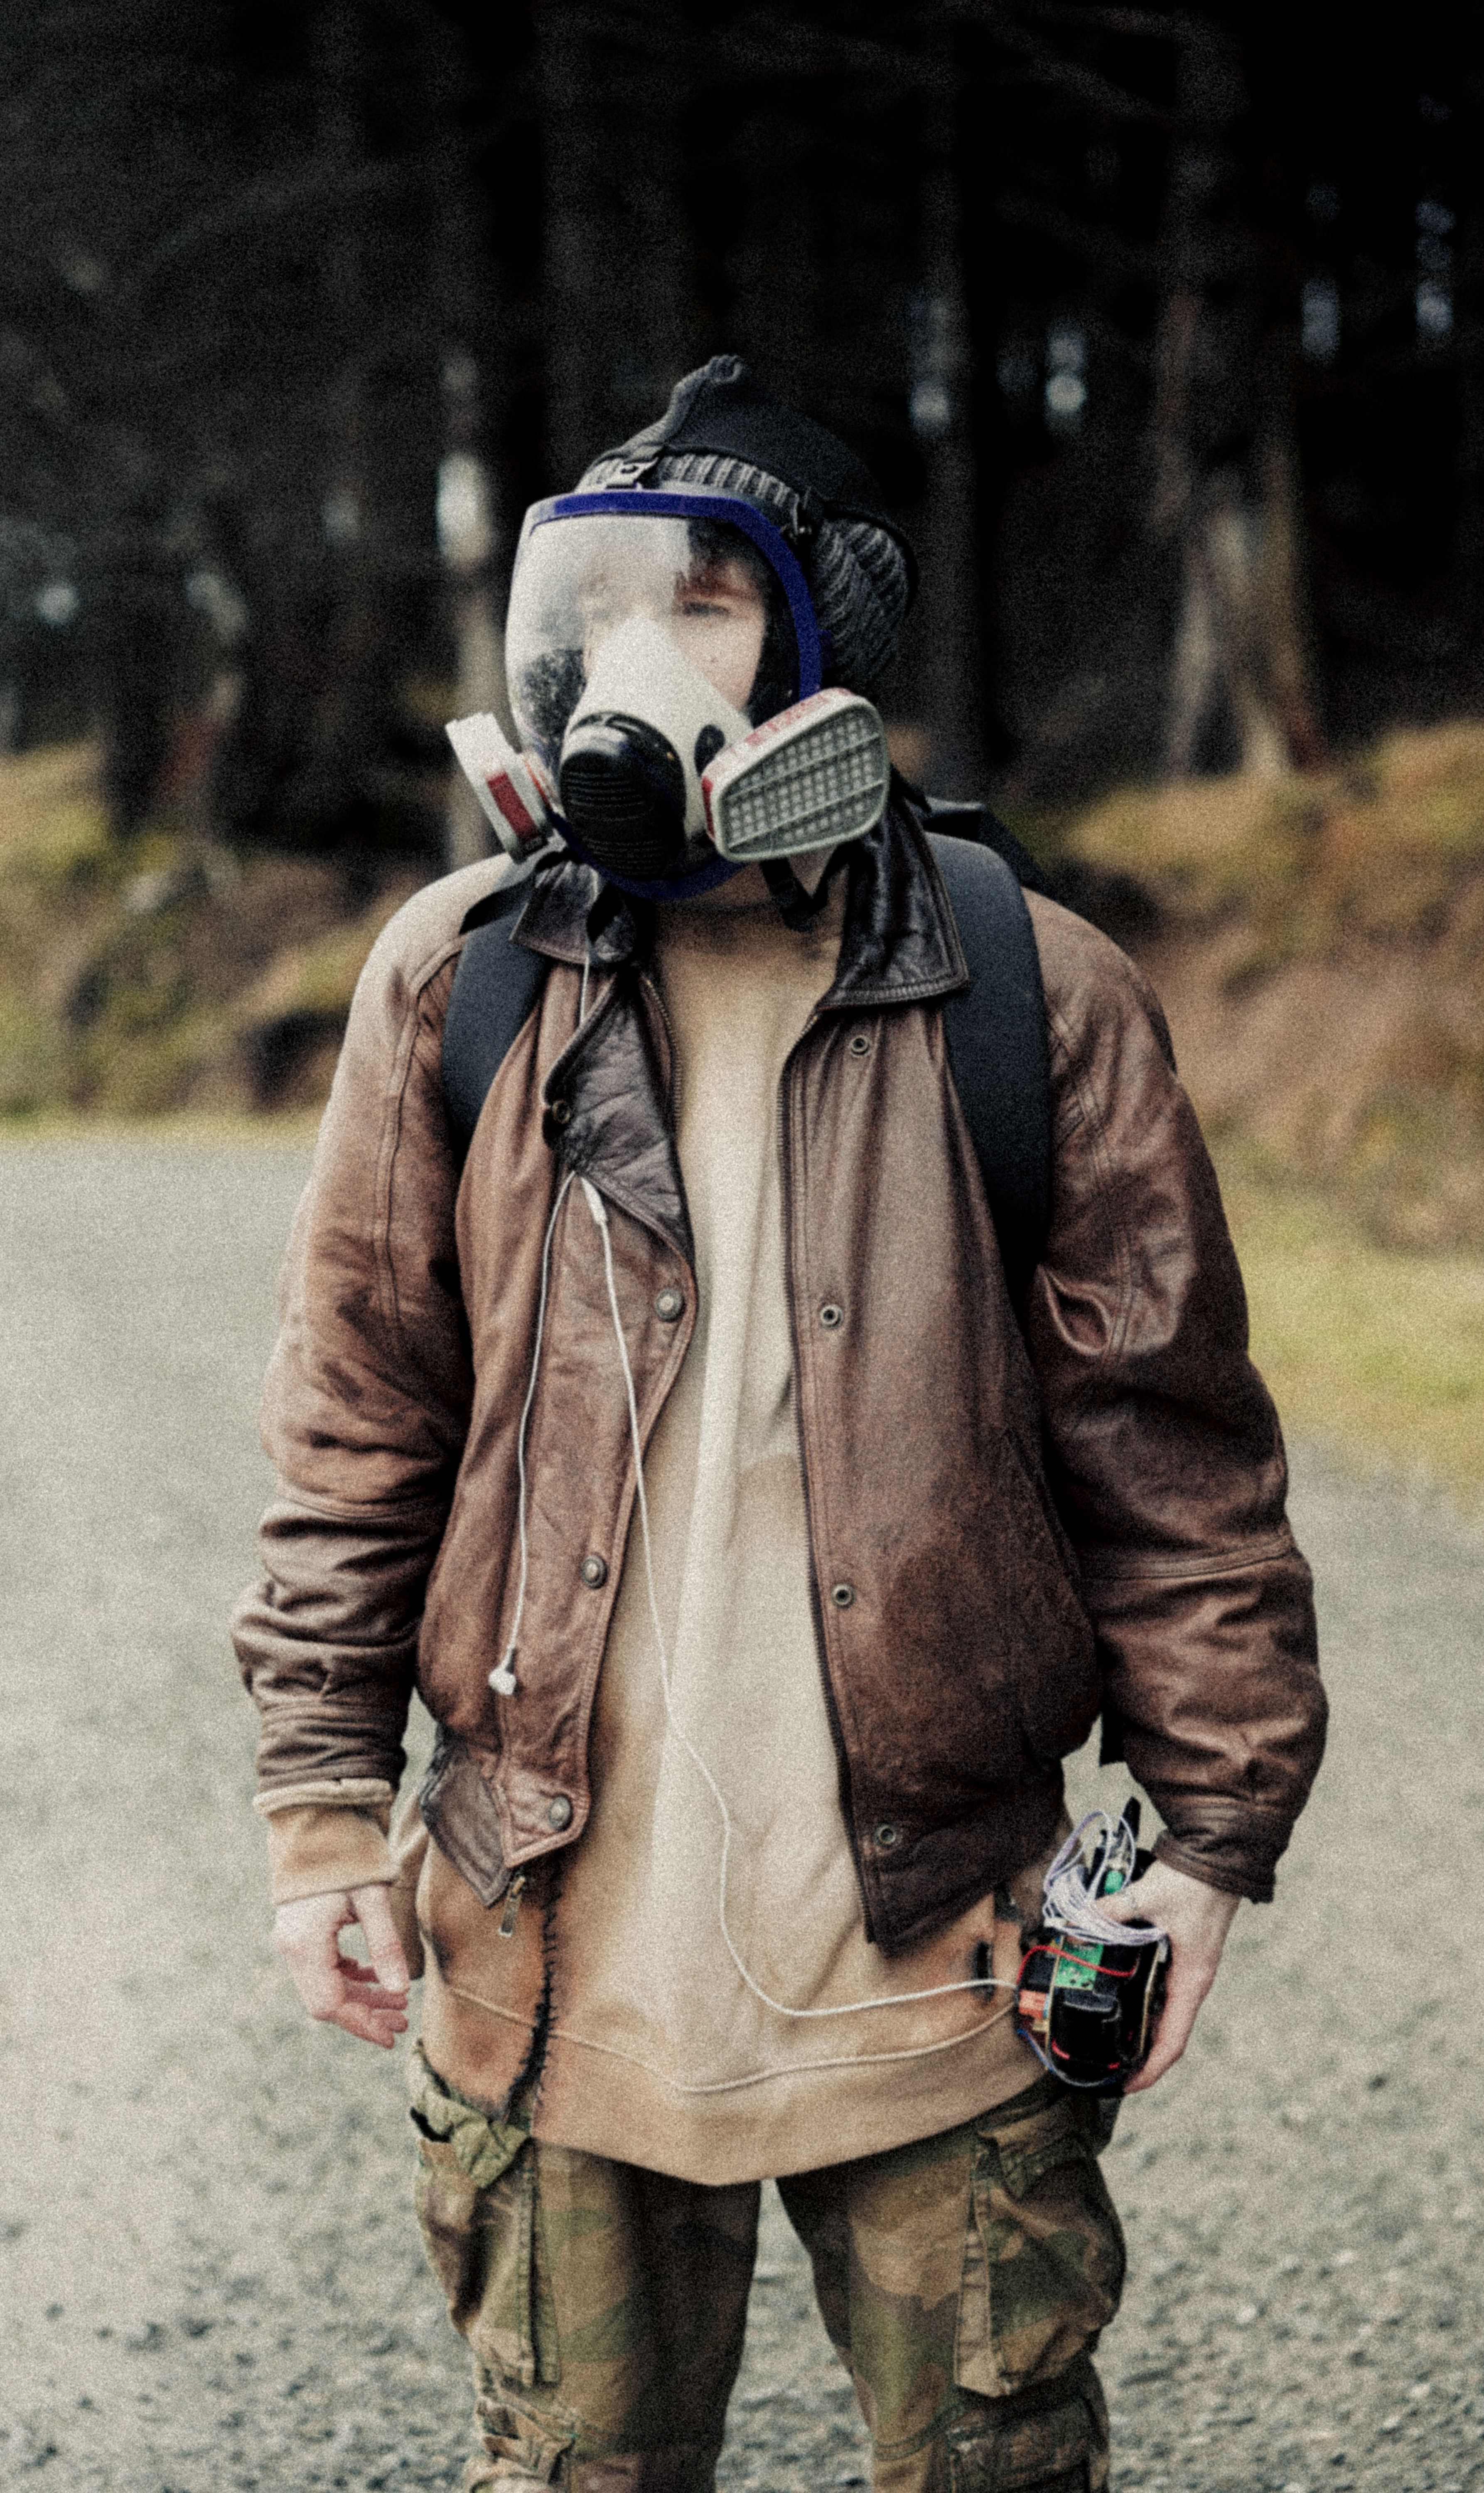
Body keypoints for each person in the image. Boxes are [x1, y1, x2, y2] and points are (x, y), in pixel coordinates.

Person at [234, 356, 1324, 2493]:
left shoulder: (1037, 993)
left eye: (710, 600)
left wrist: (1209, 1839)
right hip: (556, 1975)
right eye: (603, 605)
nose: (640, 654)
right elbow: (356, 1420)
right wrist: (310, 1815)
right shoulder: (454, 980)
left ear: (831, 633)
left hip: (939, 1975)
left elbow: (1177, 1464)